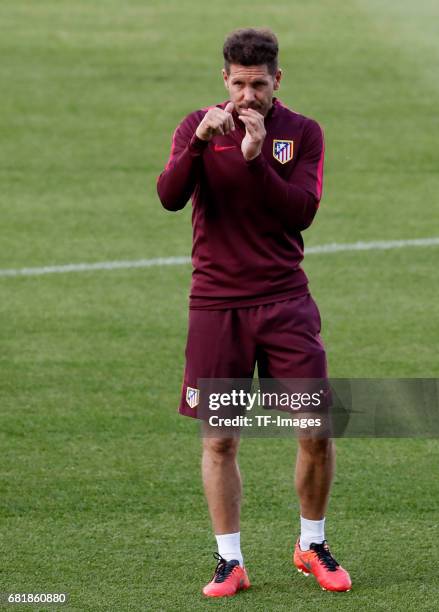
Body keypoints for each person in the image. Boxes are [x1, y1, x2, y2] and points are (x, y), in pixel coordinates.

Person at [156, 27, 351, 597]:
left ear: (277, 81)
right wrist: (196, 144)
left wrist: (255, 160)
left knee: (314, 430)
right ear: (224, 79)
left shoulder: (302, 133)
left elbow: (302, 212)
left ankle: (311, 543)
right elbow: (169, 196)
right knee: (220, 440)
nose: (247, 97)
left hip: (286, 301)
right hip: (216, 305)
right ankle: (229, 561)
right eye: (238, 84)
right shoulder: (196, 125)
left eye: (258, 85)